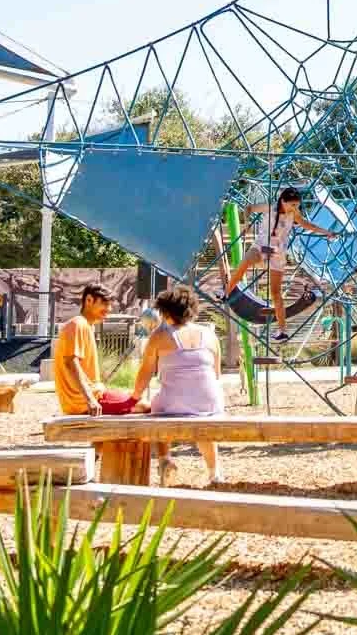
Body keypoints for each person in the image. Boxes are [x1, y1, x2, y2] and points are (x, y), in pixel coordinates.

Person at [126, 288, 224, 471]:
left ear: (166, 312)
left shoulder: (159, 336)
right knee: (201, 418)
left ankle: (164, 459)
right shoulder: (210, 335)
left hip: (174, 405)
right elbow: (216, 375)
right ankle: (214, 471)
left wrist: (134, 397)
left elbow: (145, 372)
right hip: (211, 405)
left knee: (156, 406)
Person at [223, 184, 334, 338]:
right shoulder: (270, 207)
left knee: (276, 293)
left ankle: (282, 330)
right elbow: (249, 208)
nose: (295, 207)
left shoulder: (293, 214)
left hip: (277, 253)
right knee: (245, 262)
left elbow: (307, 225)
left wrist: (326, 232)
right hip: (262, 247)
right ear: (283, 201)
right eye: (292, 204)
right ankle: (227, 292)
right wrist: (247, 224)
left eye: (297, 205)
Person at [51, 283, 112, 415]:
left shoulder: (87, 326)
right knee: (144, 405)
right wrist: (90, 399)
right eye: (105, 303)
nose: (109, 309)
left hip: (91, 397)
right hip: (85, 403)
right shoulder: (77, 324)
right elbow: (71, 363)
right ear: (89, 300)